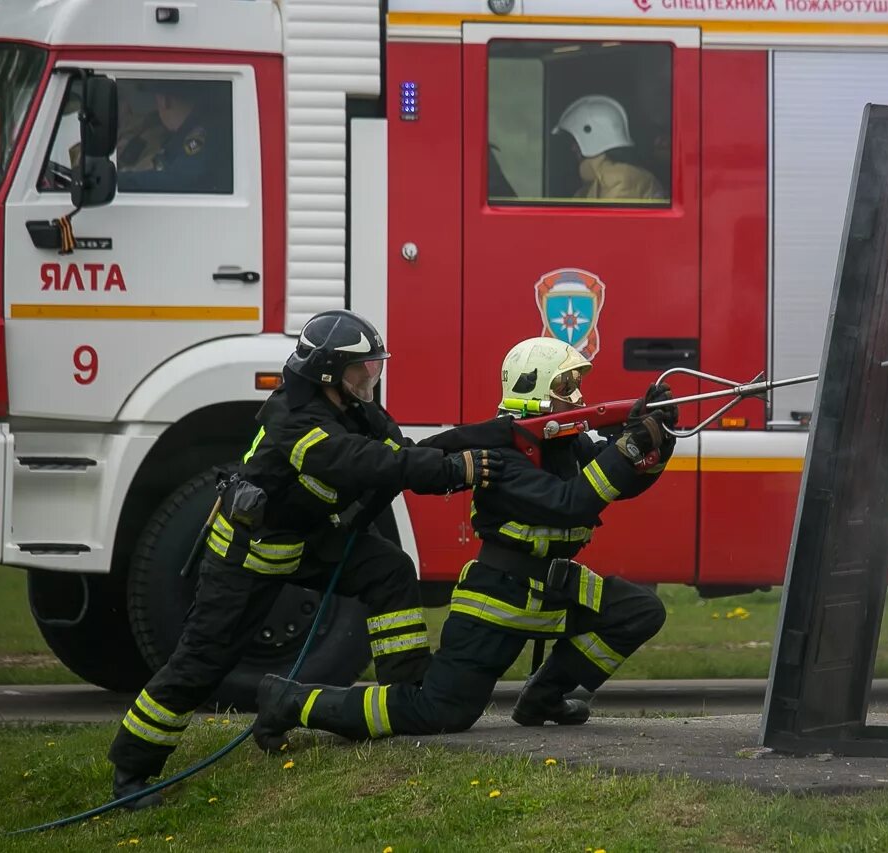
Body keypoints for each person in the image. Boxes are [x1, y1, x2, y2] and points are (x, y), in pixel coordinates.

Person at [107, 309, 505, 809]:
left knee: (389, 570)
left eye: (373, 367)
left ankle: (407, 694)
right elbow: (369, 463)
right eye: (362, 369)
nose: (370, 377)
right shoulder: (297, 423)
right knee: (201, 665)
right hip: (246, 558)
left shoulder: (352, 408)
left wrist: (492, 436)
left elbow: (402, 450)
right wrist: (453, 471)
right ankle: (132, 773)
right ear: (329, 373)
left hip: (306, 542)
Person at [251, 336, 674, 746]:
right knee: (436, 712)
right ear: (535, 388)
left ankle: (543, 697)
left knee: (639, 612)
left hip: (555, 590)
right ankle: (293, 701)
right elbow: (571, 503)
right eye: (567, 385)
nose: (577, 396)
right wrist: (628, 447)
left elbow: (622, 485)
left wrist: (658, 443)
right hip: (497, 604)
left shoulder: (566, 443)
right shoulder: (504, 454)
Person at [552, 94, 666, 202]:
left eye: (575, 141)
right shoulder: (596, 182)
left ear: (592, 139)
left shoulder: (622, 179)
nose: (573, 148)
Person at [121, 81, 230, 193]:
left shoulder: (203, 134)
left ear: (164, 100)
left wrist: (118, 181)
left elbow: (177, 180)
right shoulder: (187, 134)